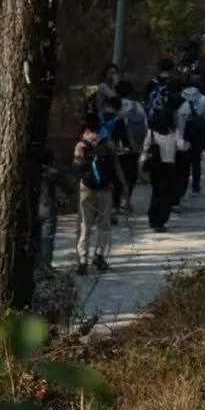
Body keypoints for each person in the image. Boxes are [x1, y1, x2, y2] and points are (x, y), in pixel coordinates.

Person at [73, 113, 118, 275]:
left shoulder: (81, 144)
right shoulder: (108, 143)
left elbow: (77, 166)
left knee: (85, 225)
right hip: (105, 189)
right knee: (104, 224)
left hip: (86, 188)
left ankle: (82, 261)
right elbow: (115, 167)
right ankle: (99, 256)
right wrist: (122, 187)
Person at [142, 106, 185, 233]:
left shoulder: (151, 133)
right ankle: (161, 221)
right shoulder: (174, 133)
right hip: (169, 166)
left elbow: (145, 149)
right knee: (167, 196)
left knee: (156, 193)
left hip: (156, 167)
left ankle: (153, 218)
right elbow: (181, 146)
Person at [115, 81, 148, 212]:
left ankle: (115, 203)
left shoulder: (112, 106)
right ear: (130, 92)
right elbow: (145, 127)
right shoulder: (137, 107)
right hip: (134, 146)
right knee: (131, 174)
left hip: (116, 147)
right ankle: (126, 200)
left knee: (117, 173)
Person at [176, 77, 205, 196]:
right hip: (197, 133)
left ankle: (181, 186)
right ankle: (196, 186)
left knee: (183, 162)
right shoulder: (203, 98)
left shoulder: (181, 97)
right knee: (196, 162)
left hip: (184, 131)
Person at [34, 148, 63, 278]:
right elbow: (66, 184)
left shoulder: (32, 173)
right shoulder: (52, 173)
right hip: (47, 205)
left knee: (36, 238)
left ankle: (36, 267)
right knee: (47, 238)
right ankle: (46, 267)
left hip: (35, 207)